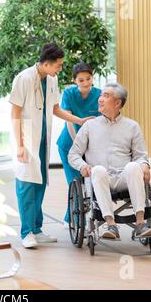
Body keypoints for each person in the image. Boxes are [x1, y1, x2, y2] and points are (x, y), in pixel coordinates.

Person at [9, 43, 93, 248]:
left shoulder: (51, 79)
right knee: (27, 184)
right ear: (46, 63)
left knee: (40, 183)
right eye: (58, 65)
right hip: (27, 136)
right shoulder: (24, 78)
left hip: (42, 137)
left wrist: (79, 120)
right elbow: (15, 114)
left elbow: (56, 109)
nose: (60, 69)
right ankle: (26, 232)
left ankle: (37, 229)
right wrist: (19, 145)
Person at [68, 82, 151, 239]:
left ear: (117, 103)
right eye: (101, 95)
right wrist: (82, 166)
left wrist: (144, 165)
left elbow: (141, 155)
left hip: (123, 177)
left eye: (106, 96)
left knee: (133, 167)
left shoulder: (132, 126)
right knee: (98, 169)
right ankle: (111, 225)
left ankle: (140, 224)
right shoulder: (89, 126)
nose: (100, 99)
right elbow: (73, 154)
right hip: (100, 178)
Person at [56, 62, 101, 228]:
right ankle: (73, 219)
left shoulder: (99, 94)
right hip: (69, 144)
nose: (85, 83)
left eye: (88, 79)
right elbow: (68, 120)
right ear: (75, 80)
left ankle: (75, 216)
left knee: (90, 181)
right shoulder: (68, 94)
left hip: (91, 145)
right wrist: (77, 144)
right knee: (75, 182)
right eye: (81, 80)